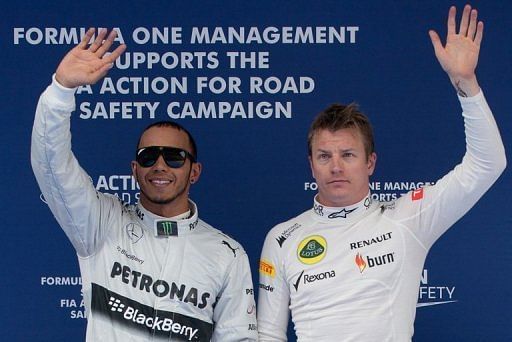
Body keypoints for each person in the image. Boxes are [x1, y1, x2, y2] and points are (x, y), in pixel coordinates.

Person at [257, 5, 506, 341]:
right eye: (324, 156)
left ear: (370, 163)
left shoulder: (407, 217)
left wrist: (466, 83)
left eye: (348, 154)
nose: (336, 166)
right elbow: (268, 334)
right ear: (311, 164)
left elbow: (488, 164)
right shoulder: (282, 237)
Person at [31, 28, 258, 341]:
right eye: (149, 156)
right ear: (135, 170)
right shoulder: (100, 222)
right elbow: (52, 168)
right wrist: (61, 91)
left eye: (175, 157)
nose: (160, 165)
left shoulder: (227, 254)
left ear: (195, 171)